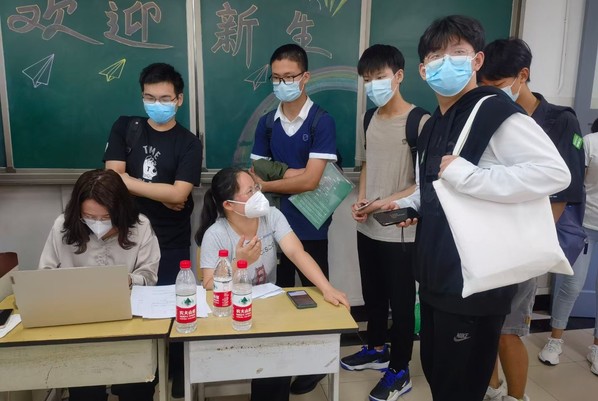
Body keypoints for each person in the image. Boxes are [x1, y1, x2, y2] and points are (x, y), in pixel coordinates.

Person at [389, 15, 571, 401]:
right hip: (437, 277)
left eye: (458, 53)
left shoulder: (494, 111)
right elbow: (438, 187)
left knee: (460, 386)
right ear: (423, 69)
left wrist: (472, 178)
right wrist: (409, 206)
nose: (446, 62)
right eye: (435, 56)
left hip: (476, 283)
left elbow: (554, 173)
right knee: (438, 374)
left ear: (477, 60)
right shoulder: (434, 123)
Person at [478, 38, 586, 401]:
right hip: (489, 237)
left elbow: (564, 192)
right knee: (485, 325)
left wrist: (527, 241)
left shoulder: (559, 120)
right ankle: (492, 389)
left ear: (522, 76)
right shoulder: (491, 116)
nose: (490, 94)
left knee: (508, 330)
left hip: (525, 243)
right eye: (484, 87)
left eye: (497, 85)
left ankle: (516, 396)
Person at [195, 167, 349, 401]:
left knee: (277, 363)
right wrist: (240, 263)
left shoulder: (271, 216)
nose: (258, 194)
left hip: (266, 308)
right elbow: (208, 284)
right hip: (231, 314)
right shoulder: (216, 234)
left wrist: (327, 288)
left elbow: (297, 253)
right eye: (250, 191)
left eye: (256, 187)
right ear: (229, 205)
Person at [104, 62, 202, 398]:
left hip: (171, 239)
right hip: (126, 238)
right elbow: (111, 177)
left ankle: (176, 374)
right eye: (149, 97)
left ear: (179, 99)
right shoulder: (126, 127)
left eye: (164, 98)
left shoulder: (189, 143)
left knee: (172, 309)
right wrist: (162, 192)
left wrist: (129, 181)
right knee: (131, 312)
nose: (156, 104)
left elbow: (179, 195)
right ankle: (135, 382)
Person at [340, 44, 428, 401]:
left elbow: (423, 183)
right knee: (373, 293)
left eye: (379, 77)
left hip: (400, 228)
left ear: (398, 76)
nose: (373, 85)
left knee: (401, 303)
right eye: (367, 79)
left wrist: (384, 202)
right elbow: (366, 165)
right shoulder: (369, 119)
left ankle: (400, 370)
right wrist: (363, 200)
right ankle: (376, 348)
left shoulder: (420, 121)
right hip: (369, 224)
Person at [249, 43, 337, 394]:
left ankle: (317, 366)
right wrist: (293, 175)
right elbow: (255, 171)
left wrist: (272, 181)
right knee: (278, 295)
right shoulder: (267, 123)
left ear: (305, 77)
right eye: (276, 78)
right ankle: (278, 367)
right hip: (272, 222)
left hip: (311, 222)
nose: (282, 84)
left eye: (289, 77)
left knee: (316, 293)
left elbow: (312, 181)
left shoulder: (321, 120)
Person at [39, 169, 160, 401]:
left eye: (105, 218)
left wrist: (128, 280)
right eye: (89, 216)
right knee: (85, 389)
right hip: (77, 322)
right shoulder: (63, 226)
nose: (97, 224)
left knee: (137, 386)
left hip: (128, 321)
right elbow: (45, 274)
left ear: (120, 211)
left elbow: (149, 274)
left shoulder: (140, 226)